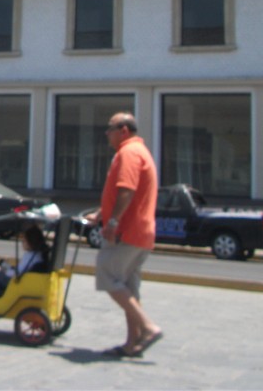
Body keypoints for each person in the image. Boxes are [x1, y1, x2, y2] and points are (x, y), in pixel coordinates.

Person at [88, 112, 162, 359]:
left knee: (107, 274)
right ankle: (132, 343)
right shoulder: (141, 152)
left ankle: (148, 327)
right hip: (142, 232)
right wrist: (101, 213)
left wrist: (112, 221)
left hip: (127, 232)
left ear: (124, 130)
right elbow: (130, 194)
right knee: (129, 286)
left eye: (109, 129)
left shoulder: (128, 153)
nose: (106, 134)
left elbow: (126, 191)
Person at [0, 224, 49, 298]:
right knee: (0, 271)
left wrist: (5, 269)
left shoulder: (32, 256)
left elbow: (16, 274)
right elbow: (19, 270)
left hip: (18, 282)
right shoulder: (36, 254)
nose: (22, 243)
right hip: (21, 277)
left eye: (24, 241)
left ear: (31, 241)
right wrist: (6, 267)